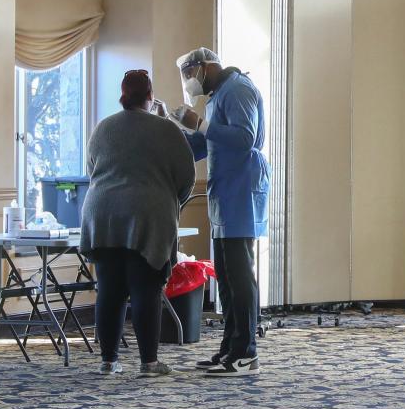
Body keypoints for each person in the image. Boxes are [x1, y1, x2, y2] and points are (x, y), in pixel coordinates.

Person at [80, 69, 196, 376]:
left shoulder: (103, 128)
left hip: (102, 214)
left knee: (109, 289)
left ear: (122, 96)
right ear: (150, 96)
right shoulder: (167, 130)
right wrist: (170, 201)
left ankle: (108, 360)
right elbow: (187, 178)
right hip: (147, 216)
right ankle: (148, 362)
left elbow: (91, 169)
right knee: (145, 289)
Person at [173, 47, 267, 377]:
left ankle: (246, 353)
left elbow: (244, 138)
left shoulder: (238, 88)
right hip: (224, 193)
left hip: (241, 190)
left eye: (190, 73)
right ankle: (230, 348)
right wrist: (170, 129)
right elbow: (202, 145)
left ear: (207, 66)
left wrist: (199, 123)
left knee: (240, 276)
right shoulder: (216, 96)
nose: (189, 81)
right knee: (225, 277)